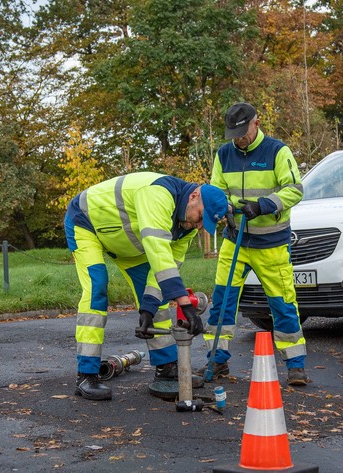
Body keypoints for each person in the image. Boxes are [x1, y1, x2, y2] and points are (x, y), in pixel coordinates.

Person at [64, 172, 229, 400]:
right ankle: (86, 375)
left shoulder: (187, 227)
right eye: (200, 216)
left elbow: (166, 268)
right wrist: (185, 304)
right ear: (193, 196)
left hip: (127, 245)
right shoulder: (158, 193)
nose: (198, 225)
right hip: (86, 224)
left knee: (158, 297)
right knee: (97, 289)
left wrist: (148, 308)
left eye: (204, 223)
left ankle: (167, 368)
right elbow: (158, 252)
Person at [197, 102, 310, 386]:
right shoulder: (223, 154)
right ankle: (216, 360)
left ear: (256, 124)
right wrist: (230, 209)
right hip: (235, 240)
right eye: (233, 133)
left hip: (271, 243)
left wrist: (263, 205)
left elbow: (295, 190)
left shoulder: (277, 151)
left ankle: (295, 365)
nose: (238, 138)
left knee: (282, 302)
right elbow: (217, 191)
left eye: (242, 132)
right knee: (222, 301)